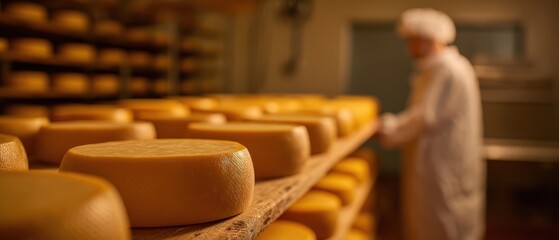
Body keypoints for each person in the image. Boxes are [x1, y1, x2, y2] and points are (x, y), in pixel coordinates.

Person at [378, 8, 485, 240]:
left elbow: (425, 117)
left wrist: (387, 127)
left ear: (428, 39)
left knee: (441, 224)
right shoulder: (438, 69)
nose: (409, 48)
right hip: (438, 163)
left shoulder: (448, 70)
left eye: (412, 41)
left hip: (442, 165)